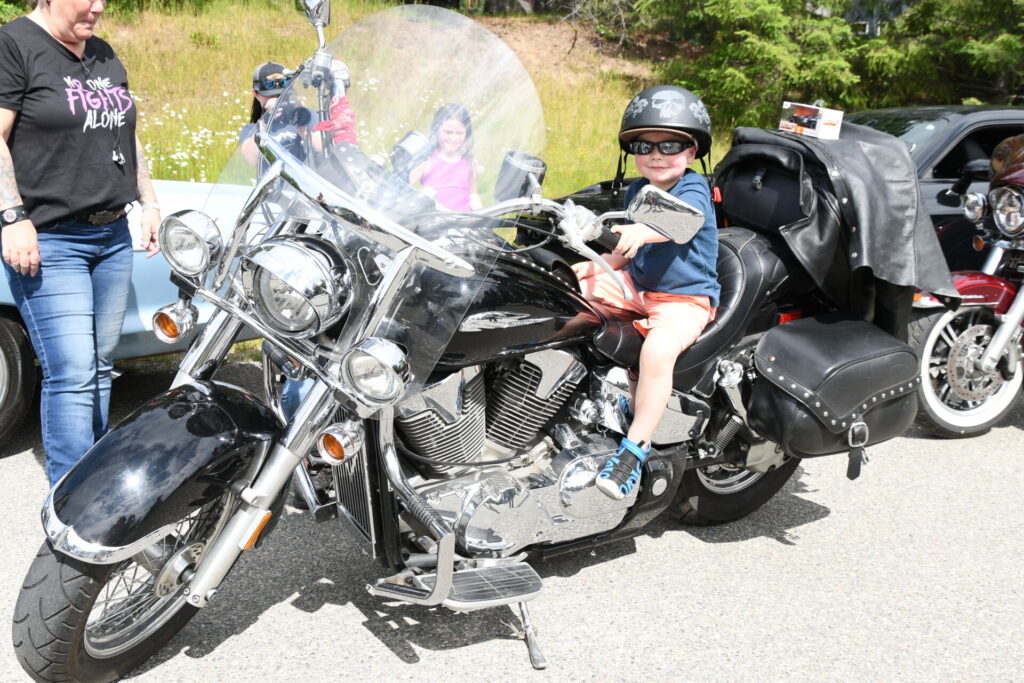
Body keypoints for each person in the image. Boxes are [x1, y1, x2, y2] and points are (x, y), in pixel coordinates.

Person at [0, 0, 160, 486]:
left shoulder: (103, 52)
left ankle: (94, 476)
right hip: (51, 238)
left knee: (98, 363)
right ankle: (70, 499)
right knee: (70, 371)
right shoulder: (14, 45)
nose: (97, 7)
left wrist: (148, 201)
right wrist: (12, 216)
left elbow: (126, 131)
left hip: (110, 236)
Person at [573, 85, 720, 500]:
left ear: (692, 152)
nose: (656, 153)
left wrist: (640, 229)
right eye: (644, 144)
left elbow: (678, 223)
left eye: (670, 144)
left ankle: (634, 451)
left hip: (684, 299)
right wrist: (590, 264)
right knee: (563, 289)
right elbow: (629, 250)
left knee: (656, 354)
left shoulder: (693, 191)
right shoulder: (638, 189)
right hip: (640, 287)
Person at [409, 103, 482, 211]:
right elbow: (405, 187)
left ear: (466, 134)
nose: (453, 138)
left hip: (460, 223)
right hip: (431, 222)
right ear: (437, 129)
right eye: (448, 132)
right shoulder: (427, 159)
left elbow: (473, 195)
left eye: (459, 133)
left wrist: (483, 217)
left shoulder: (469, 161)